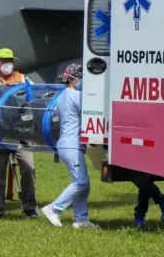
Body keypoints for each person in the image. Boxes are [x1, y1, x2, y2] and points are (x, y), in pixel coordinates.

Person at [40, 64, 100, 229]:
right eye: (82, 77)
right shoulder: (77, 96)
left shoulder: (61, 96)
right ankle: (54, 208)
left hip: (66, 145)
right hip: (72, 145)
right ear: (74, 79)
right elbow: (94, 112)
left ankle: (81, 219)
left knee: (84, 184)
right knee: (80, 182)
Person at [0, 47, 38, 218]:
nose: (8, 64)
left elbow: (34, 101)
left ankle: (30, 209)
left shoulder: (23, 80)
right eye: (5, 61)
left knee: (29, 169)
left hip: (22, 133)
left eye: (11, 61)